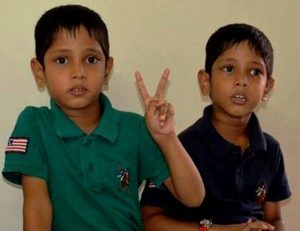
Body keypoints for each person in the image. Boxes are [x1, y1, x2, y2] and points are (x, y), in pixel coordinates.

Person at [2, 5, 204, 231]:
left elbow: (193, 197)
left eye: (90, 59)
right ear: (40, 71)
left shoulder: (134, 128)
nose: (78, 72)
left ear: (107, 69)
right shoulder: (35, 123)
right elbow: (37, 205)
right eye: (62, 60)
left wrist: (167, 137)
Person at [141, 23, 291, 231]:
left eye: (255, 72)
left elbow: (273, 217)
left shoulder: (271, 150)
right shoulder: (180, 147)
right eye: (229, 69)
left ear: (268, 87)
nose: (242, 81)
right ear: (205, 81)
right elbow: (151, 220)